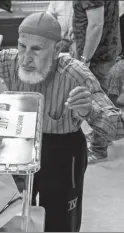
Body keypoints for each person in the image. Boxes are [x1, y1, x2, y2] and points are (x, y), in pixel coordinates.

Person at [0, 12, 124, 231]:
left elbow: (117, 126)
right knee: (14, 213)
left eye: (36, 49)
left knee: (59, 221)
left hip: (61, 152)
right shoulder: (7, 61)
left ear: (57, 49)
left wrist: (90, 111)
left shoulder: (75, 74)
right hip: (19, 146)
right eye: (22, 46)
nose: (26, 58)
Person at [72, 0, 121, 164]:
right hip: (107, 49)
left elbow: (96, 24)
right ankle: (103, 137)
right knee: (106, 98)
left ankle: (98, 149)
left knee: (99, 102)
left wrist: (84, 59)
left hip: (98, 56)